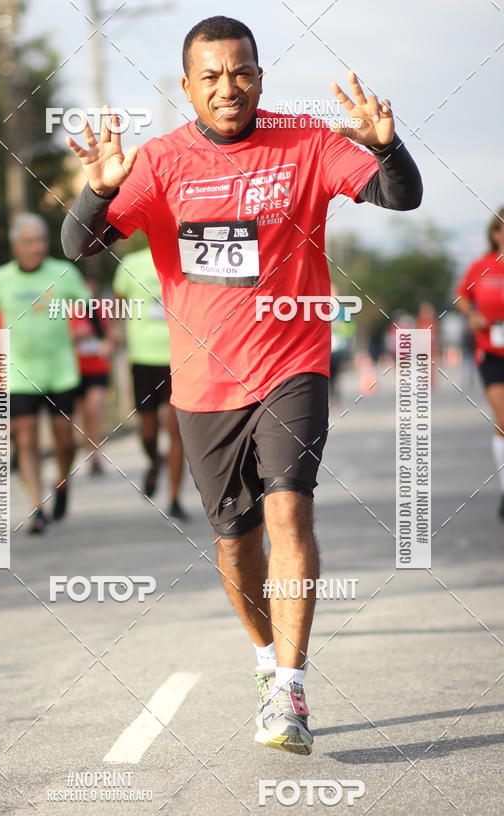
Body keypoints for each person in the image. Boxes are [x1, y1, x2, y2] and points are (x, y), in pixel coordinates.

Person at [61, 15, 422, 754]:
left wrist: (386, 143)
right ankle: (264, 660)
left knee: (290, 511)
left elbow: (401, 196)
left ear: (261, 76)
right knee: (234, 542)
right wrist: (97, 192)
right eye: (213, 76)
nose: (231, 87)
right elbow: (80, 245)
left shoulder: (307, 142)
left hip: (293, 363)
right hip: (202, 384)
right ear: (188, 86)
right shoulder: (160, 163)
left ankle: (290, 686)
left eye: (244, 72)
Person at [0, 213, 87, 534]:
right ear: (15, 246)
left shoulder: (64, 273)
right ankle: (37, 507)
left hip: (61, 369)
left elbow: (91, 308)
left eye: (41, 240)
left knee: (65, 442)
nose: (37, 247)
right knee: (25, 436)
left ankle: (62, 484)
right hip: (19, 371)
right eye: (29, 242)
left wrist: (105, 338)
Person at [112, 246, 188, 520]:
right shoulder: (131, 263)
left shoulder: (186, 257)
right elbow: (118, 304)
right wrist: (113, 334)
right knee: (147, 431)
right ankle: (155, 461)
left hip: (180, 356)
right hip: (142, 358)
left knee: (175, 428)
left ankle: (175, 497)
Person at [455, 207, 504, 518]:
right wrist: (472, 316)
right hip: (491, 352)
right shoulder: (481, 267)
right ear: (494, 234)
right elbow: (461, 297)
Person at [69, 286, 115, 476]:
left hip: (98, 368)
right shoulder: (65, 310)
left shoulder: (100, 309)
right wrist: (76, 335)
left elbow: (111, 334)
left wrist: (109, 343)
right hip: (75, 370)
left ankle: (96, 453)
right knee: (82, 416)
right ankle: (90, 451)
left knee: (94, 409)